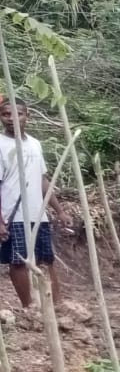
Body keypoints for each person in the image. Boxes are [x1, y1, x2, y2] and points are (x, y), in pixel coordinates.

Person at [0, 101, 60, 308]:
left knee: (46, 260)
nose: (11, 118)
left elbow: (43, 180)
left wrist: (59, 210)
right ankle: (30, 309)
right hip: (12, 215)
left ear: (28, 115)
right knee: (18, 261)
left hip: (38, 213)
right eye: (6, 114)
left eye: (18, 114)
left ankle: (56, 307)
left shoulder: (35, 143)